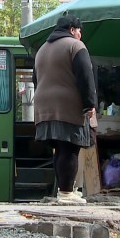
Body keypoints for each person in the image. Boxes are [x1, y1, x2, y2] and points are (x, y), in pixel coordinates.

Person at [33, 14, 97, 204]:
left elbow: (36, 79)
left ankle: (64, 190)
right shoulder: (75, 46)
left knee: (60, 148)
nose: (80, 35)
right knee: (70, 147)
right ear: (72, 30)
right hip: (66, 104)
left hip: (43, 105)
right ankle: (67, 193)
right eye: (79, 31)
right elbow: (85, 77)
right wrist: (89, 103)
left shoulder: (42, 49)